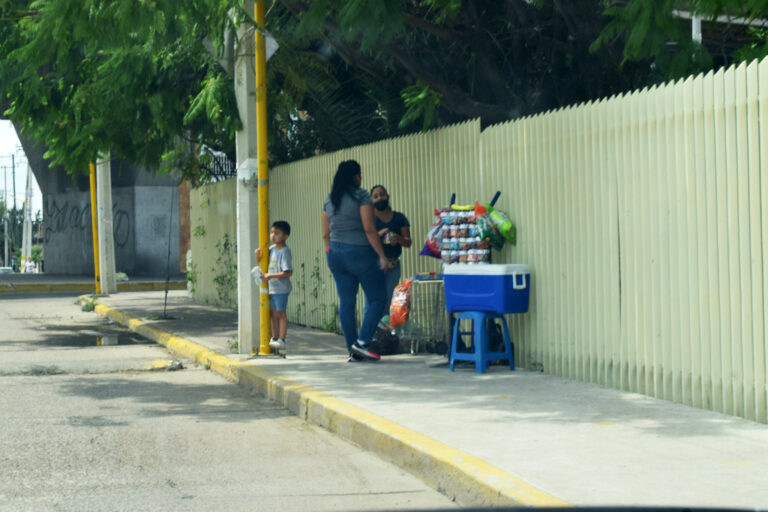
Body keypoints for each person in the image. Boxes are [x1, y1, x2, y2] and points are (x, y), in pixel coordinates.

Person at [322, 160, 388, 362]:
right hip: (359, 252)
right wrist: (381, 255)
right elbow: (369, 229)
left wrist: (330, 252)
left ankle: (353, 351)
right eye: (360, 175)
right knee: (378, 299)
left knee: (347, 303)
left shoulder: (330, 199)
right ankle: (361, 342)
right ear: (355, 176)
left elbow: (325, 232)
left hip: (335, 253)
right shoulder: (361, 196)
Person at [370, 185, 411, 310]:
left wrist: (399, 239)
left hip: (393, 266)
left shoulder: (399, 218)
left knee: (388, 301)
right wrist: (378, 234)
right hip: (373, 266)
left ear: (387, 196)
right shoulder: (369, 220)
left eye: (382, 194)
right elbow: (365, 240)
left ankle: (385, 328)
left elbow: (408, 242)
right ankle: (371, 329)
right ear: (371, 201)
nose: (380, 198)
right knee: (372, 301)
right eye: (375, 196)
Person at [254, 221, 293, 351]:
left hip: (281, 289)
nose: (273, 236)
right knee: (273, 313)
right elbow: (260, 261)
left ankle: (282, 339)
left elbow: (288, 272)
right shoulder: (270, 249)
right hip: (272, 288)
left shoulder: (284, 252)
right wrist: (257, 255)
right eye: (272, 232)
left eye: (277, 233)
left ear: (285, 236)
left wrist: (270, 276)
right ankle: (275, 337)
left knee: (281, 313)